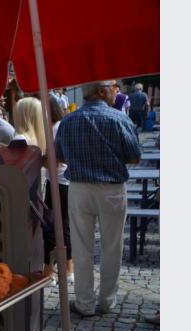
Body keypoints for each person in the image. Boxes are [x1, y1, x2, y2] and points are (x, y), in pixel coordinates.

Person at [57, 80, 141, 317]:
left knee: (81, 246)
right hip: (111, 189)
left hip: (79, 188)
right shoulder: (118, 118)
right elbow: (135, 156)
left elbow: (60, 155)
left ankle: (84, 303)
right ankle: (107, 301)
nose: (118, 91)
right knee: (111, 246)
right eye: (115, 87)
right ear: (102, 91)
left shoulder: (68, 120)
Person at [43, 97, 73, 283]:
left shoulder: (55, 129)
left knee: (54, 226)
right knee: (61, 225)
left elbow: (57, 160)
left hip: (59, 183)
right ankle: (67, 268)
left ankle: (53, 270)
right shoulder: (60, 126)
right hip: (61, 182)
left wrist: (39, 159)